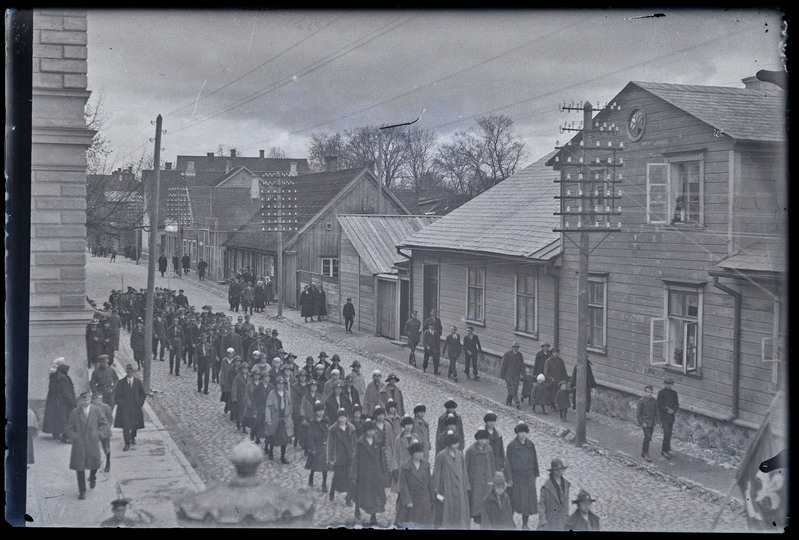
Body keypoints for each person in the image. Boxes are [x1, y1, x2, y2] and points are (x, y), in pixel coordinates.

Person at [65, 391, 109, 500]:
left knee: (94, 464)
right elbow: (69, 428)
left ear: (90, 400)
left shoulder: (96, 411)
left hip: (92, 443)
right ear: (80, 401)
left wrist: (98, 434)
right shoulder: (75, 413)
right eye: (84, 399)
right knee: (80, 468)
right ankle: (82, 491)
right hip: (79, 444)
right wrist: (74, 438)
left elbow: (104, 424)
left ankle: (92, 477)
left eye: (88, 399)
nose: (86, 402)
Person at [350, 420, 388, 526]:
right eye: (369, 430)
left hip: (376, 473)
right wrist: (354, 474)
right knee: (361, 494)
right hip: (364, 474)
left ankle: (373, 517)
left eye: (373, 430)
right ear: (365, 431)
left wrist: (383, 471)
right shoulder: (360, 443)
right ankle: (357, 508)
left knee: (376, 495)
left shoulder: (377, 441)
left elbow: (381, 458)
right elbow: (356, 459)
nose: (371, 432)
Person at [432, 432, 471, 529]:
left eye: (457, 443)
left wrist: (466, 485)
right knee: (448, 512)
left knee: (460, 512)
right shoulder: (441, 456)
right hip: (447, 486)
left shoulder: (460, 454)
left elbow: (464, 471)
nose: (457, 445)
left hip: (459, 487)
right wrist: (436, 491)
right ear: (449, 444)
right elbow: (436, 474)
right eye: (454, 443)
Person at [504, 422, 539, 529]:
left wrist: (535, 474)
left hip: (529, 478)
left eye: (525, 432)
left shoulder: (530, 445)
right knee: (514, 501)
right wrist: (509, 479)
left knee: (527, 503)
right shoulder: (512, 446)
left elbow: (535, 459)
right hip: (517, 478)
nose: (523, 435)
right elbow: (508, 463)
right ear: (517, 433)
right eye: (521, 432)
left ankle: (525, 524)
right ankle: (509, 521)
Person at [396, 441, 435, 528]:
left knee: (425, 524)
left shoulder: (426, 465)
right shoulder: (405, 466)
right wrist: (408, 501)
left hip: (424, 498)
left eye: (421, 452)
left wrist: (432, 497)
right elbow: (403, 485)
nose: (420, 454)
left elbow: (430, 482)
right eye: (418, 452)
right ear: (412, 454)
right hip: (412, 499)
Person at [465, 429, 496, 525]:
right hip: (475, 481)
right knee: (476, 500)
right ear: (477, 440)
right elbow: (466, 467)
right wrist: (467, 483)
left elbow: (492, 465)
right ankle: (476, 516)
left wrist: (494, 479)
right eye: (481, 439)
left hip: (487, 479)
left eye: (485, 439)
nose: (483, 441)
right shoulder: (470, 451)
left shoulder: (489, 450)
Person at [327, 407, 357, 504]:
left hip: (350, 457)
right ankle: (332, 491)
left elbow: (355, 443)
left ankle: (348, 498)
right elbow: (330, 445)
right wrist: (330, 458)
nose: (342, 419)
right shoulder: (333, 430)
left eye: (344, 417)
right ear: (338, 418)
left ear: (347, 418)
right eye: (340, 417)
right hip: (339, 457)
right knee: (337, 477)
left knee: (351, 478)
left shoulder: (351, 429)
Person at [114, 364, 146, 452]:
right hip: (124, 409)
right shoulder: (121, 382)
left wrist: (139, 403)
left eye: (131, 371)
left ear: (133, 372)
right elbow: (117, 396)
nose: (129, 373)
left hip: (135, 408)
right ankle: (127, 443)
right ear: (126, 372)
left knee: (134, 425)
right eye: (128, 371)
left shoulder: (138, 382)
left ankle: (132, 437)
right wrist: (122, 404)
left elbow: (142, 394)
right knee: (126, 426)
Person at [42, 358, 75, 443]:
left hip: (56, 401)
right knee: (64, 418)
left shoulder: (55, 377)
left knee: (56, 417)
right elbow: (66, 392)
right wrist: (72, 402)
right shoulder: (64, 379)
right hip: (63, 402)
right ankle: (64, 435)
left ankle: (56, 434)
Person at [265, 376, 294, 464]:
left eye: (282, 384)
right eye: (279, 384)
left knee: (284, 439)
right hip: (275, 419)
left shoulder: (287, 393)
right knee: (273, 436)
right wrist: (268, 419)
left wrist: (289, 415)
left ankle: (282, 456)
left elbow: (290, 405)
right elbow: (268, 407)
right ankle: (271, 451)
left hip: (284, 420)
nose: (280, 386)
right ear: (276, 385)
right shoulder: (272, 394)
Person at [538, 458, 570, 531]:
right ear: (552, 471)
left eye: (561, 469)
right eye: (557, 470)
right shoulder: (546, 487)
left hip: (563, 520)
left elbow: (566, 503)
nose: (559, 471)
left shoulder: (566, 484)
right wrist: (543, 521)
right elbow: (541, 505)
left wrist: (567, 517)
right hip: (551, 521)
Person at [305, 400, 329, 491]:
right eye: (318, 411)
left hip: (324, 445)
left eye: (322, 410)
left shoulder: (326, 420)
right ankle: (311, 476)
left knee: (324, 467)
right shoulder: (312, 422)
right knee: (314, 465)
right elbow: (310, 436)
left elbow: (329, 433)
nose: (321, 412)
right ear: (315, 412)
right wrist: (312, 447)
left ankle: (324, 483)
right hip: (316, 445)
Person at [636, 384, 660, 462]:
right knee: (648, 437)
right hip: (645, 422)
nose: (649, 394)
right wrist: (642, 422)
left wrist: (658, 421)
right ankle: (646, 453)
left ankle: (643, 452)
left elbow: (657, 412)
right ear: (645, 392)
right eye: (648, 392)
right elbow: (638, 414)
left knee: (648, 438)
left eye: (651, 392)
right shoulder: (641, 401)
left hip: (651, 423)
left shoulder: (654, 401)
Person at [657, 377, 679, 459]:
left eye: (670, 384)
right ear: (664, 384)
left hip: (671, 416)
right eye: (667, 384)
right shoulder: (661, 393)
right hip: (664, 416)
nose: (669, 385)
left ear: (672, 385)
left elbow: (676, 404)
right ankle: (664, 450)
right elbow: (659, 404)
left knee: (669, 433)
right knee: (666, 432)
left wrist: (673, 410)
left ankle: (668, 448)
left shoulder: (674, 393)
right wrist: (667, 410)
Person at [91, 392, 114, 472]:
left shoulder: (106, 407)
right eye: (97, 399)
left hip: (104, 431)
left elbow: (110, 419)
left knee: (106, 448)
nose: (99, 401)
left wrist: (107, 428)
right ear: (93, 400)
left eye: (101, 399)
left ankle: (108, 462)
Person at [499, 341, 524, 408]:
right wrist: (502, 375)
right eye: (514, 347)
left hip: (516, 375)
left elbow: (522, 365)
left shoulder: (520, 355)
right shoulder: (507, 354)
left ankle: (508, 401)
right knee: (512, 388)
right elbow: (503, 365)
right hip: (508, 375)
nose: (515, 348)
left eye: (517, 347)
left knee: (514, 388)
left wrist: (523, 374)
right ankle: (517, 402)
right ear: (512, 347)